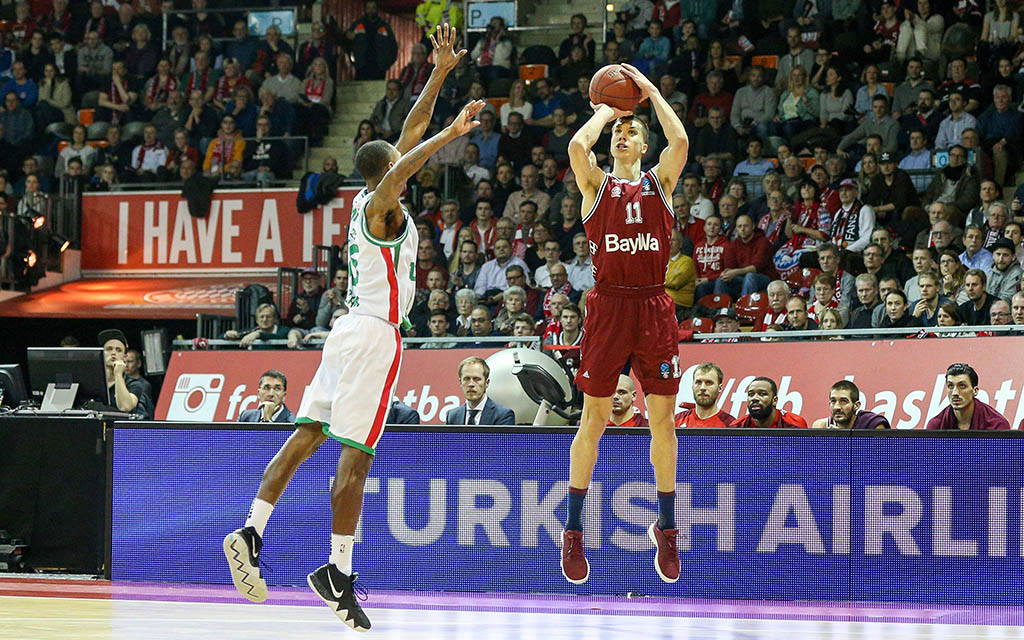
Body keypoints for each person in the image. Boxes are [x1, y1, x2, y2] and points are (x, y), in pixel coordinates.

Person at [221, 25, 479, 632]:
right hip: (375, 335)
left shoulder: (368, 199)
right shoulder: (386, 203)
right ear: (387, 170)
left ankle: (251, 531)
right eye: (399, 158)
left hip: (344, 331)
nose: (405, 153)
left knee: (307, 434)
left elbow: (408, 135)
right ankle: (336, 570)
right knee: (355, 458)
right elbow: (412, 151)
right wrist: (453, 133)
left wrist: (438, 73)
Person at [560, 62, 688, 586]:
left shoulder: (661, 183)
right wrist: (607, 111)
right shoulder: (596, 186)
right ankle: (573, 531)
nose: (623, 132)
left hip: (653, 306)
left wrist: (652, 93)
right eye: (617, 131)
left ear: (641, 146)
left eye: (630, 129)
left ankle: (667, 527)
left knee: (663, 422)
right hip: (609, 307)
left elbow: (679, 139)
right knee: (594, 421)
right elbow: (575, 149)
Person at [926, 363, 1010, 430]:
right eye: (950, 386)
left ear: (975, 390)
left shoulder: (997, 426)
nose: (955, 392)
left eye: (962, 386)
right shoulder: (936, 426)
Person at [98, 329, 154, 419]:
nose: (113, 353)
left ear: (124, 357)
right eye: (109, 349)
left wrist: (118, 375)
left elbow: (125, 407)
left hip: (120, 431)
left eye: (118, 350)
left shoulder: (134, 384)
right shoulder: (93, 382)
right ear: (101, 353)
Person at [445, 356, 515, 425]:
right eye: (466, 379)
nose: (471, 384)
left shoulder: (503, 415)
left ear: (486, 383)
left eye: (476, 379)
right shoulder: (452, 416)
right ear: (460, 382)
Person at [674, 362, 734, 427]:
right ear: (692, 386)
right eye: (698, 382)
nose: (702, 388)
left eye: (709, 383)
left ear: (719, 388)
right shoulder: (676, 422)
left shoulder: (730, 425)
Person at [730, 377, 807, 428]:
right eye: (751, 394)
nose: (754, 398)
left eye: (762, 394)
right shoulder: (737, 426)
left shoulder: (795, 425)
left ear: (774, 400)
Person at [811, 380, 890, 429]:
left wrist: (843, 440)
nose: (837, 407)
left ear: (856, 405)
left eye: (843, 401)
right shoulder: (822, 427)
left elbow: (879, 454)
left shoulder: (872, 424)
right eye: (833, 401)